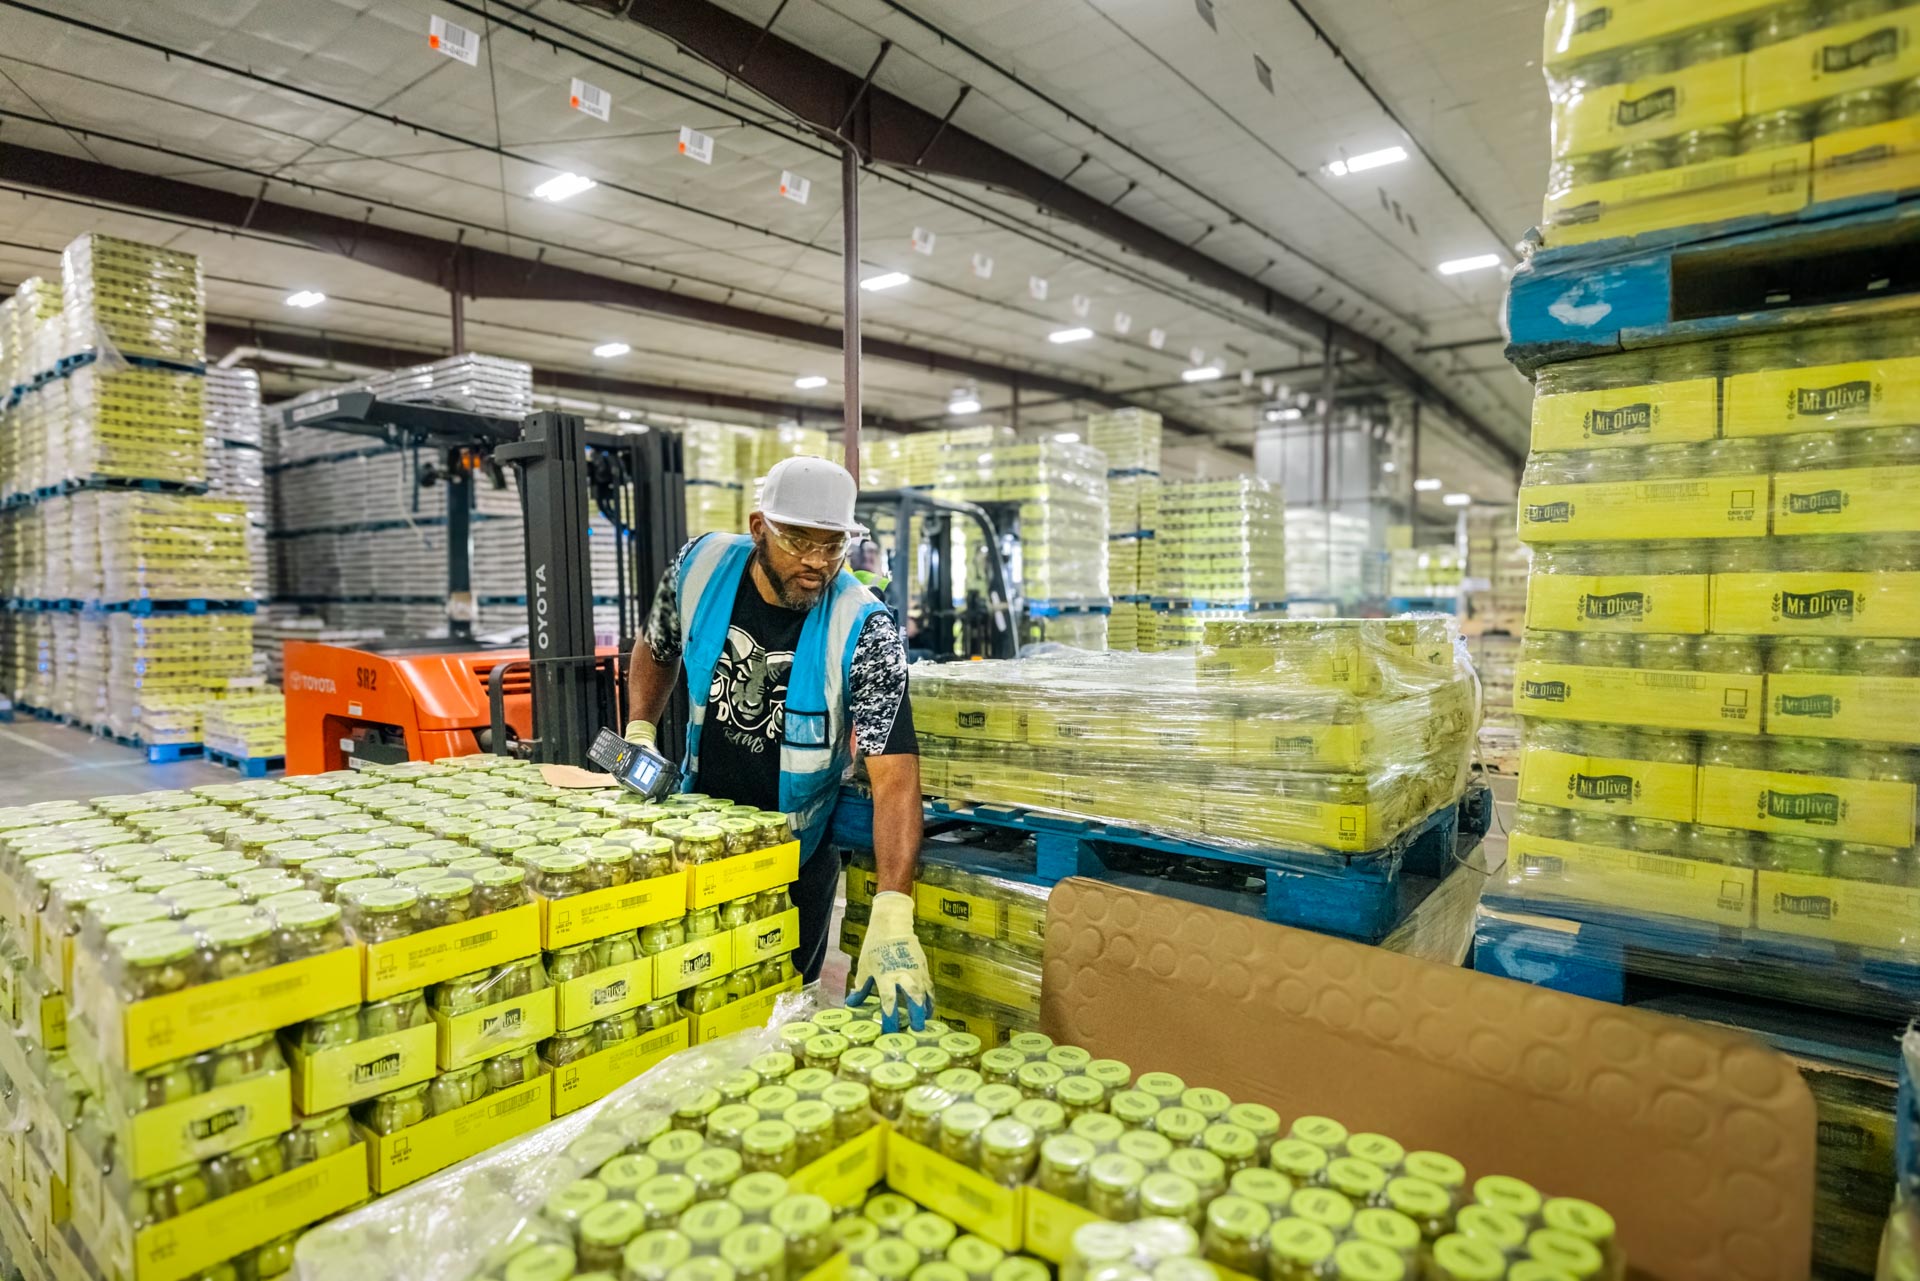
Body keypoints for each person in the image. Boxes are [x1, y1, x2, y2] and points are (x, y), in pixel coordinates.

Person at [623, 455, 935, 1030]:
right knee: (686, 1007)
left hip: (795, 860)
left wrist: (894, 909)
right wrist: (640, 729)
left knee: (780, 1017)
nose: (817, 563)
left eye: (833, 545)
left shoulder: (865, 629)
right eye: (799, 542)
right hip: (699, 840)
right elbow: (655, 645)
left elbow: (896, 779)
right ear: (757, 527)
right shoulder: (698, 567)